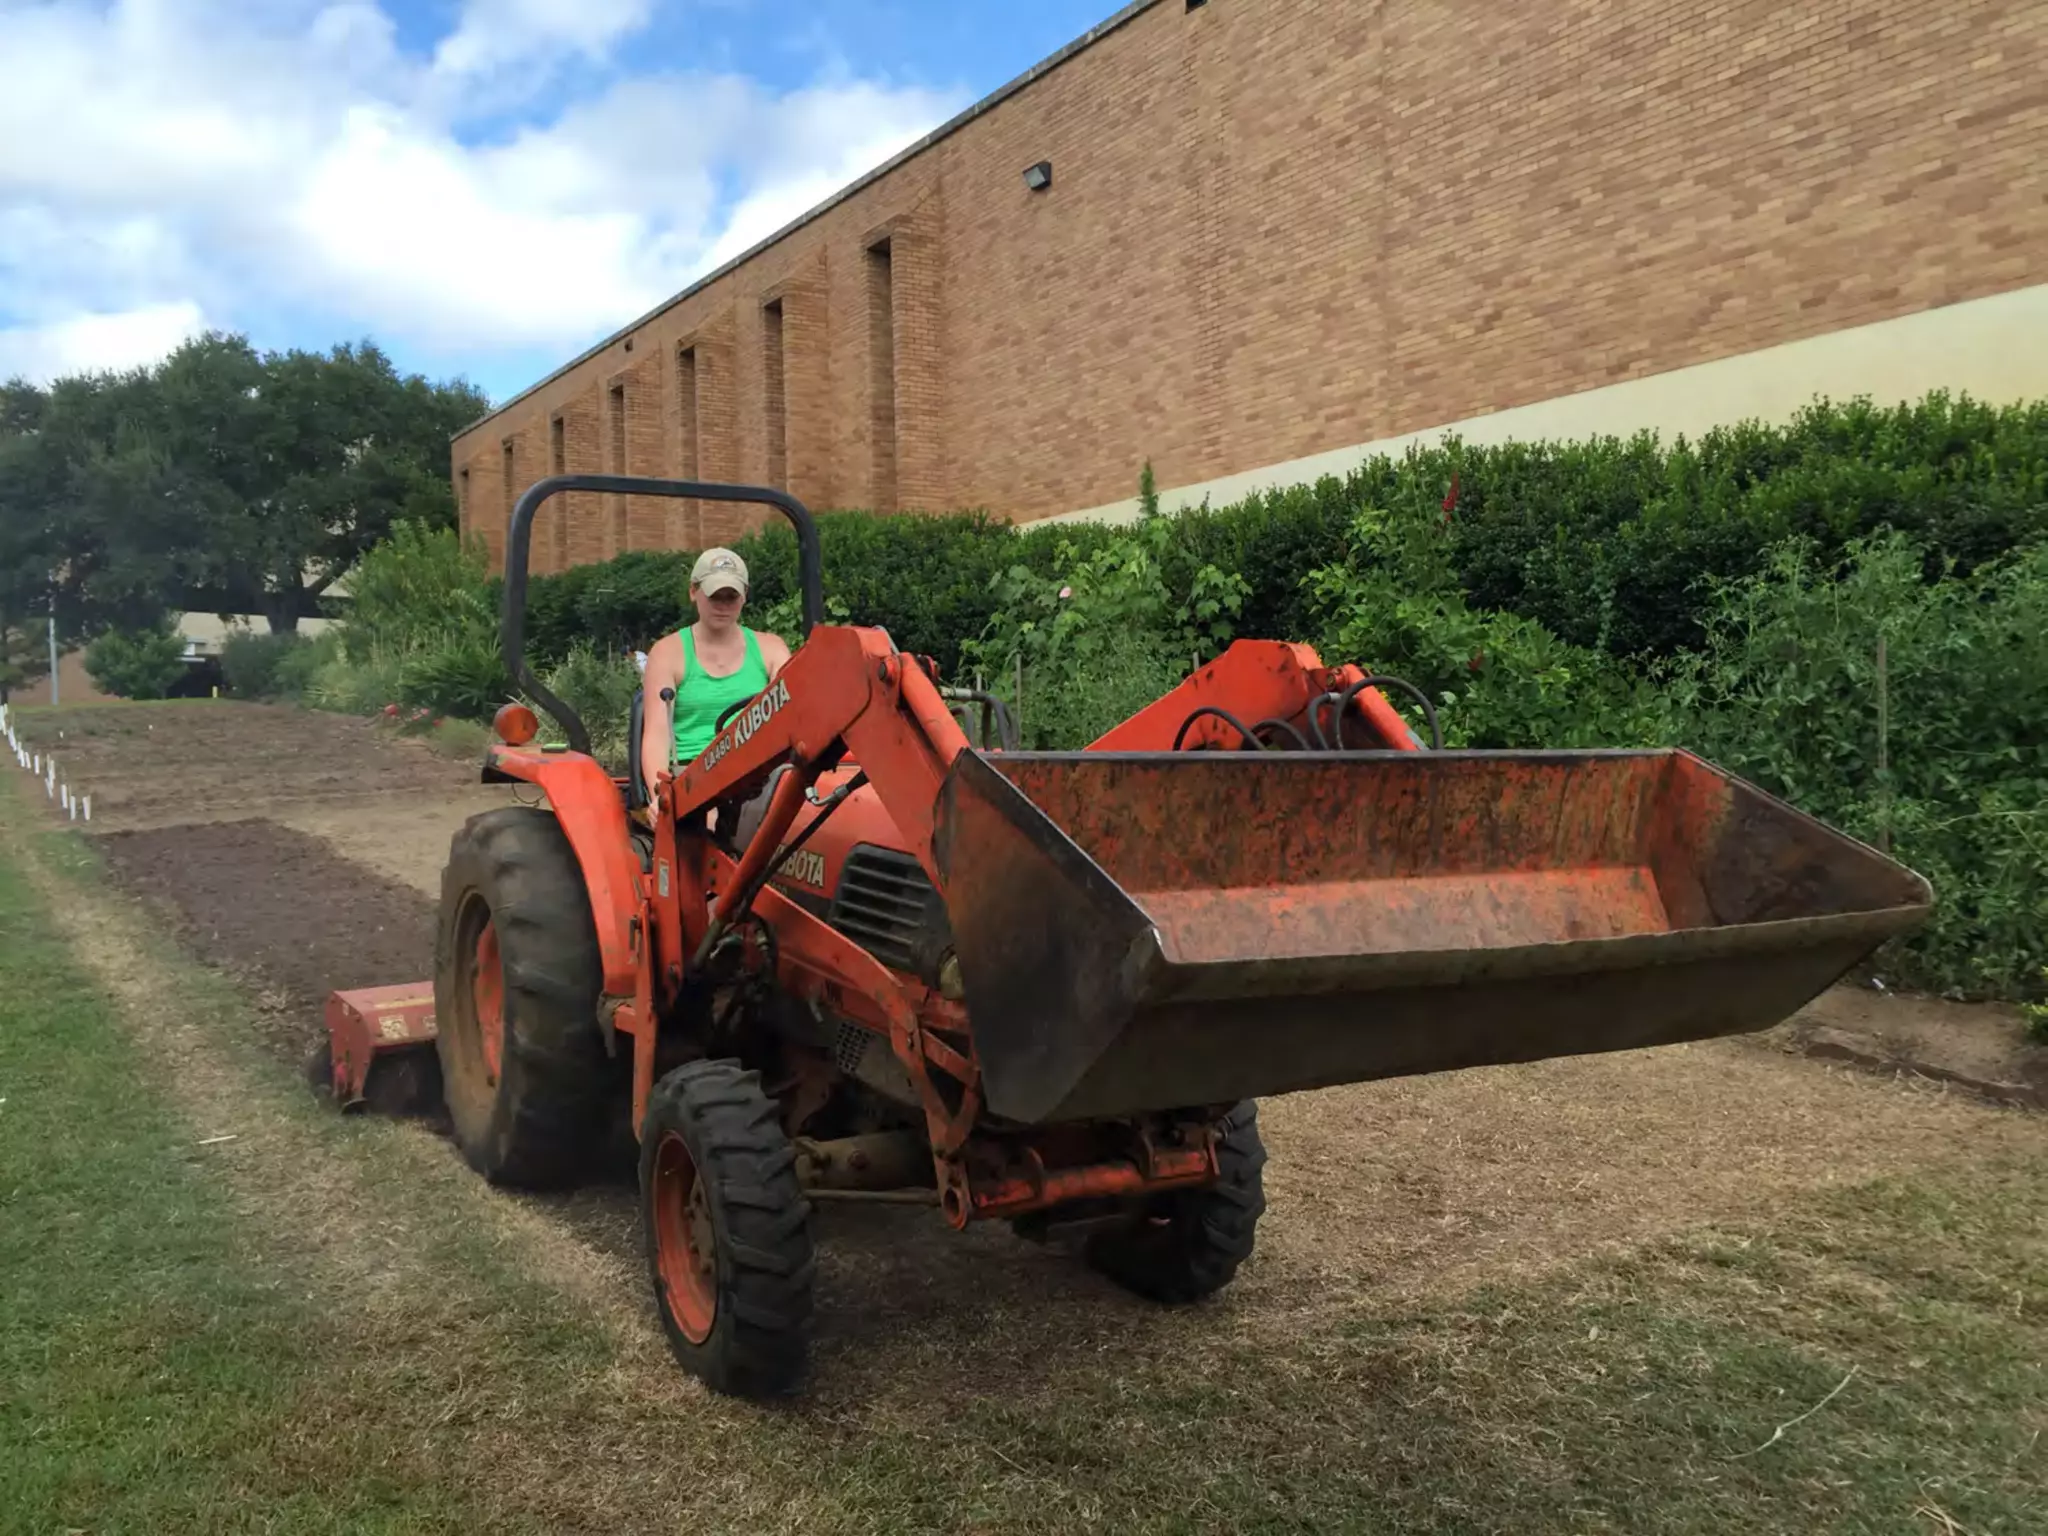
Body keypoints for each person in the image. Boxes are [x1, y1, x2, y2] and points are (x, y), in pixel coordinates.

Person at [638, 547, 792, 799]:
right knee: (708, 829)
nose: (722, 606)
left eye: (730, 597)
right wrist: (659, 796)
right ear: (693, 592)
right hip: (692, 778)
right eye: (714, 596)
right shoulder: (668, 653)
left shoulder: (771, 650)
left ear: (744, 597)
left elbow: (790, 717)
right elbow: (656, 733)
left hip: (757, 775)